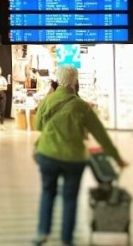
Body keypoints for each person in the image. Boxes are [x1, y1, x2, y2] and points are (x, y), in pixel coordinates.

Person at [32, 65, 126, 246]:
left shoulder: (48, 100)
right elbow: (101, 135)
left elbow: (38, 127)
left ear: (58, 80)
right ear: (75, 81)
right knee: (70, 198)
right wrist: (117, 159)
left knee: (47, 192)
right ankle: (66, 239)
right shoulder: (82, 106)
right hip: (73, 159)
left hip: (48, 154)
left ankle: (43, 233)